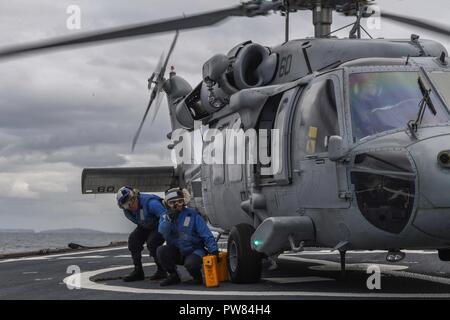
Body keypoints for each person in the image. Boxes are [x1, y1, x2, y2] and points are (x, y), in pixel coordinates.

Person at [157, 187, 219, 286]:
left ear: (184, 202)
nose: (177, 206)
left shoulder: (192, 214)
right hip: (177, 251)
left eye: (180, 202)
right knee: (161, 251)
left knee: (191, 264)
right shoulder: (165, 217)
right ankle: (174, 276)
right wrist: (169, 220)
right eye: (172, 203)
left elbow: (206, 233)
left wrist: (214, 250)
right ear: (167, 204)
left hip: (194, 250)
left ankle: (197, 277)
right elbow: (162, 231)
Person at [116, 186, 167, 282]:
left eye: (130, 205)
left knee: (152, 242)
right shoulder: (127, 210)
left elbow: (166, 218)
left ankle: (162, 270)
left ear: (134, 198)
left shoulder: (152, 203)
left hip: (162, 224)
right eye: (126, 206)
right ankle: (138, 271)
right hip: (147, 225)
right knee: (133, 240)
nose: (129, 208)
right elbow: (140, 222)